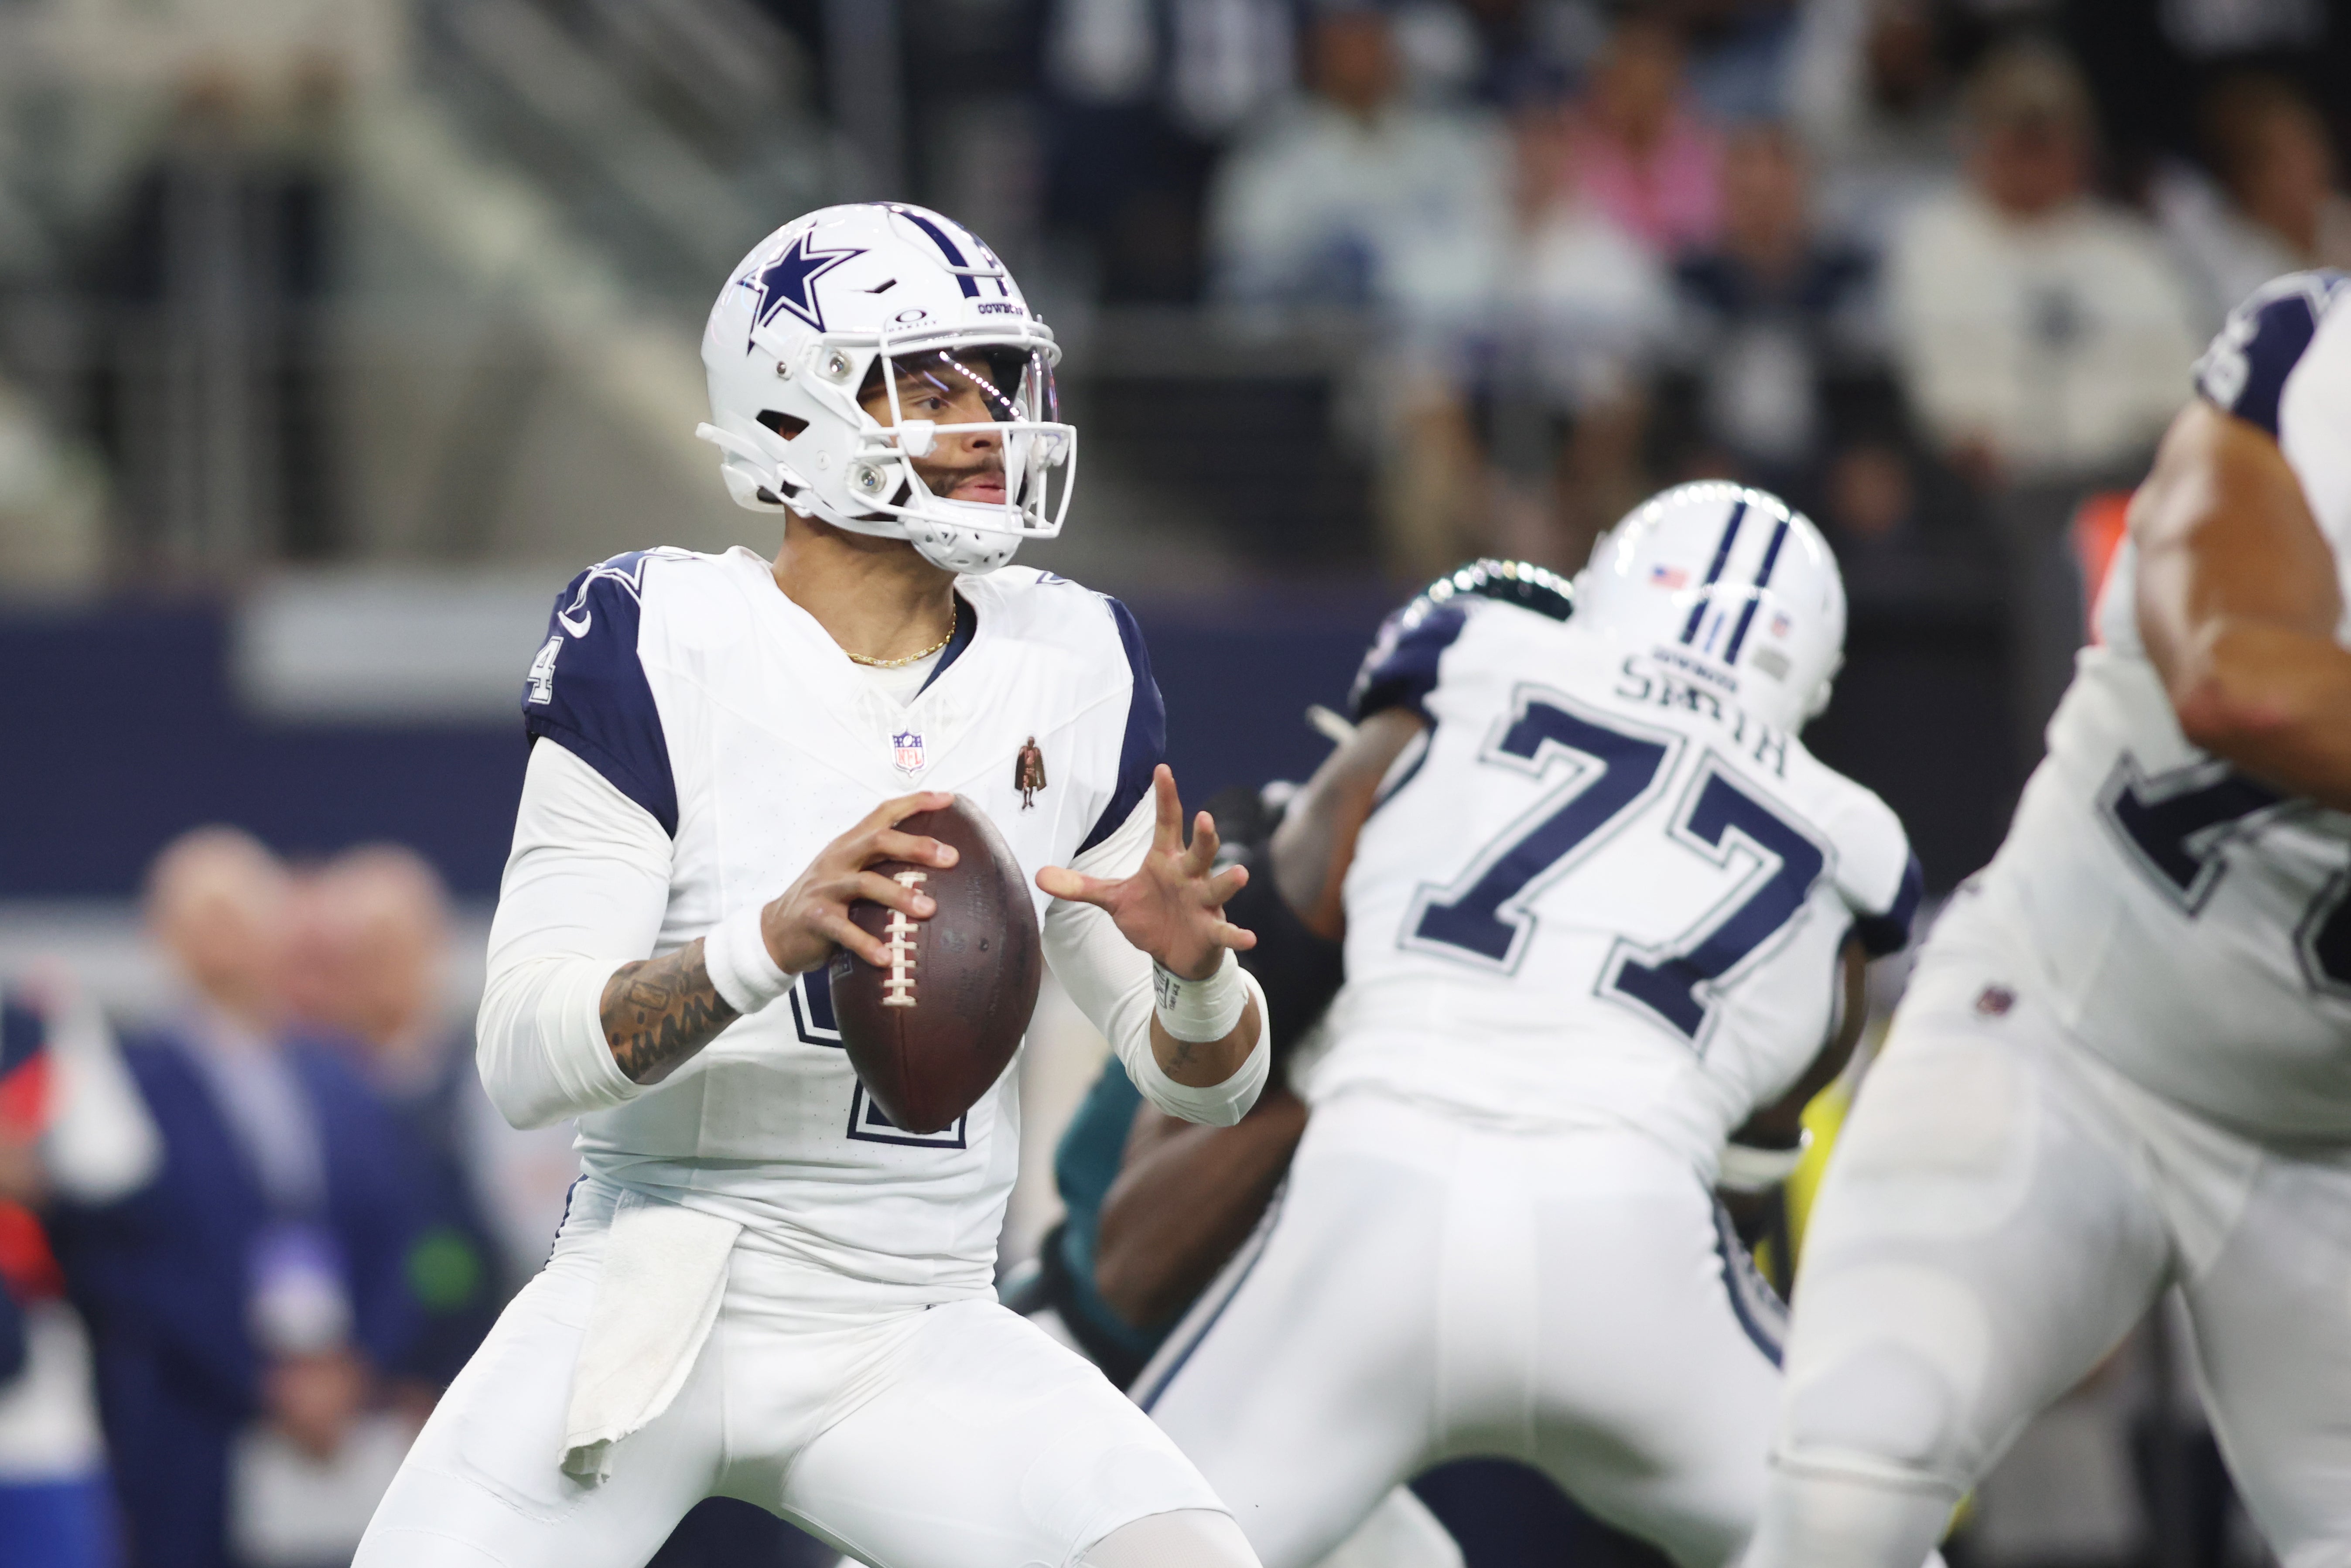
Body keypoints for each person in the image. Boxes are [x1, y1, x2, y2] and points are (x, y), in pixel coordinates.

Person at [355, 201, 1274, 1568]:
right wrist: (764, 943)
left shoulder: (1067, 654)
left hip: (917, 1319)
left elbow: (1201, 1085)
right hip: (656, 1294)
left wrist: (1197, 979)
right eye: (929, 380)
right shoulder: (658, 634)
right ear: (789, 414)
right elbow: (522, 1058)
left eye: (995, 380)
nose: (983, 420)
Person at [1138, 495, 1926, 1568]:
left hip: (1375, 1197)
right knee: (1867, 1544)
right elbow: (1744, 1184)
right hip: (1633, 1242)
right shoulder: (1852, 851)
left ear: (1608, 587)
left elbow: (1292, 913)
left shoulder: (1474, 658)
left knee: (1116, 1538)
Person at [1735, 270, 2351, 1566]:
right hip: (2065, 1034)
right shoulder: (2306, 363)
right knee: (1846, 1491)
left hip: (2324, 1157)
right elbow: (2231, 672)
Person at [58, 827, 424, 1568]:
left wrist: (356, 1371)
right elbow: (125, 1261)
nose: (221, 937)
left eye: (237, 913)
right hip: (193, 1434)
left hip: (348, 1427)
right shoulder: (126, 1084)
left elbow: (401, 1236)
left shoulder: (340, 1081)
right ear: (163, 935)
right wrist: (259, 1379)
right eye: (200, 916)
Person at [1882, 41, 2200, 492]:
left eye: (2047, 139)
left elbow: (2182, 391)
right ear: (1977, 141)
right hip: (1991, 496)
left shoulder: (2132, 250)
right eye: (2018, 139)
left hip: (2130, 481)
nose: (2033, 159)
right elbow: (1939, 409)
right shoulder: (1931, 246)